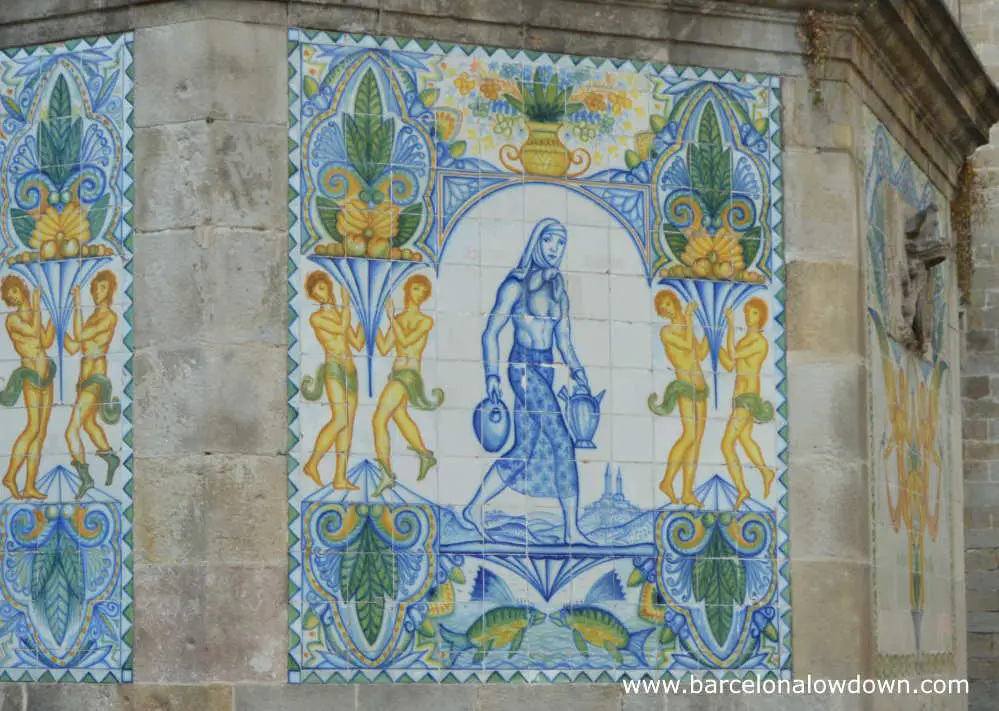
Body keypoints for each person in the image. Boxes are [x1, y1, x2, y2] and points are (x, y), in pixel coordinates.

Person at [461, 218, 592, 544]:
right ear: (537, 241)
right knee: (562, 441)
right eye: (549, 240)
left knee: (524, 449)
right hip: (521, 368)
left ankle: (474, 507)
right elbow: (491, 333)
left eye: (560, 242)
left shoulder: (559, 290)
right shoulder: (515, 285)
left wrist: (579, 372)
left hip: (545, 368)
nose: (554, 248)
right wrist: (491, 376)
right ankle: (571, 531)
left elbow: (564, 339)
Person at [371, 274, 443, 497]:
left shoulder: (425, 321)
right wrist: (376, 322)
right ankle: (424, 454)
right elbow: (385, 347)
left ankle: (386, 473)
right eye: (415, 289)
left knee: (378, 419)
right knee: (399, 415)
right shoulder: (399, 318)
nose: (418, 294)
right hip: (396, 373)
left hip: (408, 375)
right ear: (408, 290)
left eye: (423, 291)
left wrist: (392, 318)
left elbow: (405, 343)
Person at [300, 271, 364, 490]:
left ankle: (339, 477)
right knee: (340, 419)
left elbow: (356, 342)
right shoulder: (317, 318)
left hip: (351, 371)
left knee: (348, 426)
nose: (321, 293)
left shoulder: (339, 313)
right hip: (334, 369)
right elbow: (339, 329)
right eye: (316, 290)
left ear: (328, 287)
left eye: (322, 287)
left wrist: (365, 319)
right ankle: (312, 463)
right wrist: (347, 304)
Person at [648, 289, 709, 507]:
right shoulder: (667, 332)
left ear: (674, 302)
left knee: (697, 442)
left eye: (668, 303)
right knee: (689, 435)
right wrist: (690, 318)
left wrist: (711, 334)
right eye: (662, 307)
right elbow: (686, 346)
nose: (666, 308)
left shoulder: (685, 328)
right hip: (685, 387)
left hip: (701, 386)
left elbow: (699, 353)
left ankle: (687, 492)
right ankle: (666, 481)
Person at [64, 271, 122, 498]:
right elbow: (74, 346)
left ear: (111, 291)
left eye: (103, 288)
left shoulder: (108, 316)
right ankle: (110, 457)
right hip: (84, 379)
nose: (98, 293)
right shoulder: (93, 316)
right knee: (89, 426)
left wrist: (76, 304)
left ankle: (85, 478)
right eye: (96, 288)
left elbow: (81, 335)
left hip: (96, 379)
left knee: (71, 432)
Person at [0, 275, 55, 500]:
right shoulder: (11, 320)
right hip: (30, 375)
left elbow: (45, 341)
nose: (13, 296)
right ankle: (11, 475)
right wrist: (36, 304)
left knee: (41, 434)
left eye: (14, 290)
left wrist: (55, 318)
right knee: (33, 428)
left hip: (46, 375)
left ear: (21, 288)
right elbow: (32, 333)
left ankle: (30, 485)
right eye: (9, 295)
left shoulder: (33, 315)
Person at [719, 298, 775, 510]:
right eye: (747, 312)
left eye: (753, 313)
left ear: (761, 317)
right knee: (744, 438)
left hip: (748, 399)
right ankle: (765, 472)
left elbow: (733, 355)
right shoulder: (744, 341)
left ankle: (743, 488)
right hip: (739, 398)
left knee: (726, 444)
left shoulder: (760, 342)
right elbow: (729, 364)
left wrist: (730, 326)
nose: (748, 316)